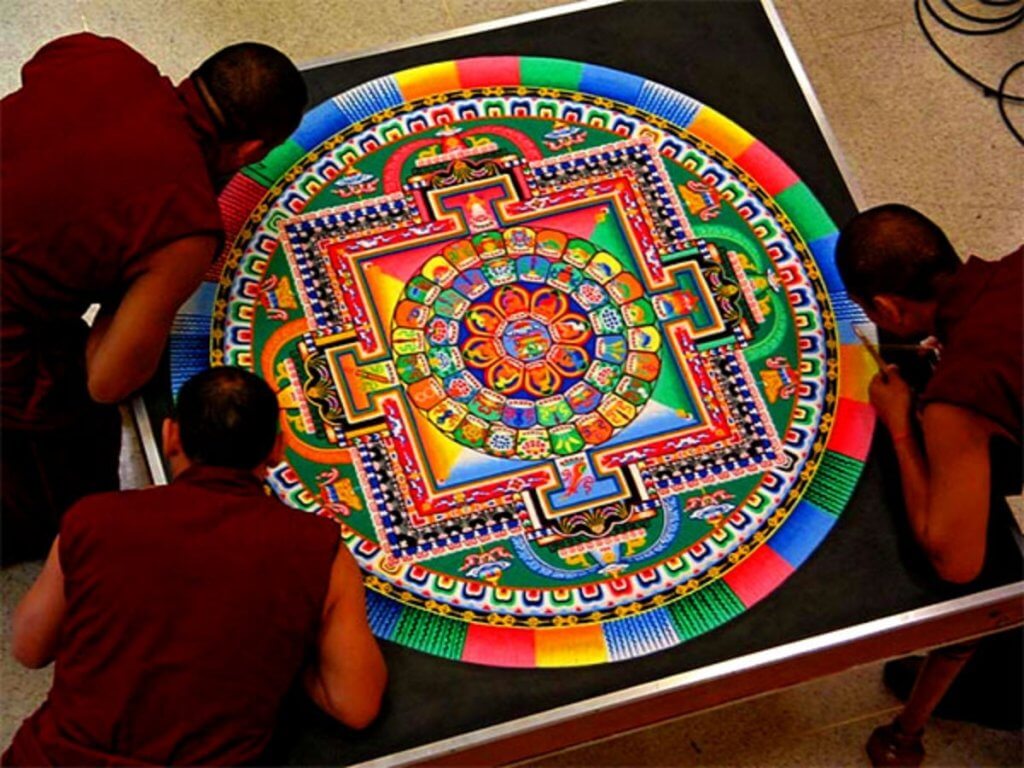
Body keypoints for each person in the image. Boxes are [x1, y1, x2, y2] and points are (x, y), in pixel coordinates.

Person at [0, 34, 308, 564]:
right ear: (251, 151)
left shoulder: (101, 55)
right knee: (78, 459)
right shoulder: (184, 223)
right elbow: (107, 380)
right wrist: (141, 275)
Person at [3, 367, 387, 766]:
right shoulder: (317, 550)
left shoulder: (94, 520)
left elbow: (29, 649)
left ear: (171, 436)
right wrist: (284, 640)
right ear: (277, 449)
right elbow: (356, 705)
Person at [834, 204, 1022, 766]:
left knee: (974, 587)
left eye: (869, 310)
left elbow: (954, 560)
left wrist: (900, 425)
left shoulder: (957, 397)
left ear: (888, 308)